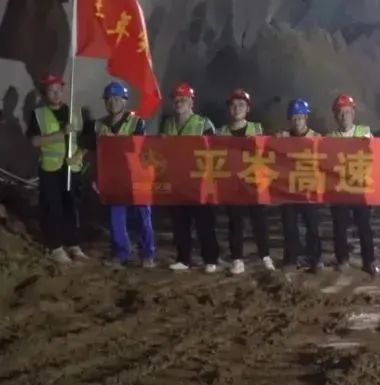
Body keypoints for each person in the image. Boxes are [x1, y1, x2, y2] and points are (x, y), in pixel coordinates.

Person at [87, 81, 155, 267]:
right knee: (116, 216)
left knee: (143, 216)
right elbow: (94, 153)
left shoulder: (137, 122)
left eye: (117, 99)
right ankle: (120, 252)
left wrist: (116, 141)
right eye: (109, 99)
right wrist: (95, 176)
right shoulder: (98, 125)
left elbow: (139, 149)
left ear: (125, 101)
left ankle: (147, 254)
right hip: (113, 178)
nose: (113, 103)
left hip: (136, 176)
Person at [26, 74, 89, 264]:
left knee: (72, 207)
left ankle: (73, 245)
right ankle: (55, 247)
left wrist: (79, 155)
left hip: (72, 167)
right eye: (51, 91)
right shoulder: (38, 115)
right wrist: (60, 134)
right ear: (44, 93)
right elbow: (34, 141)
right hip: (50, 169)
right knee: (52, 208)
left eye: (59, 90)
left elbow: (86, 140)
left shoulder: (74, 112)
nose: (56, 94)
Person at [159, 83, 222, 272]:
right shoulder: (167, 123)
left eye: (183, 99)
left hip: (199, 181)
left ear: (191, 102)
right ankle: (183, 259)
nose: (179, 103)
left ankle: (210, 259)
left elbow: (216, 150)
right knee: (180, 222)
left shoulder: (204, 123)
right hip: (177, 181)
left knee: (204, 222)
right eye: (176, 99)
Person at [216, 88, 274, 274]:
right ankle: (237, 259)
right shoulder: (220, 132)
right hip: (233, 184)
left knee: (260, 222)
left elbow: (271, 152)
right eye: (233, 105)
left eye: (241, 105)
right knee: (235, 222)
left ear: (248, 108)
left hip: (254, 183)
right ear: (228, 109)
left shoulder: (258, 129)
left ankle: (265, 257)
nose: (237, 109)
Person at [326, 94, 379, 275]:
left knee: (364, 226)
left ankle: (369, 261)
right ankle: (342, 259)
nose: (344, 116)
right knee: (339, 227)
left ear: (353, 113)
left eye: (347, 112)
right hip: (339, 189)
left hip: (359, 188)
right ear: (335, 116)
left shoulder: (365, 132)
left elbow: (377, 155)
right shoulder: (330, 138)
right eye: (340, 113)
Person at [277, 98, 323, 272]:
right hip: (288, 189)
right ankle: (291, 258)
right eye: (294, 118)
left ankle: (315, 258)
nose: (297, 121)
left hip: (309, 189)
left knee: (312, 226)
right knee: (289, 226)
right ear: (290, 119)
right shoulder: (283, 137)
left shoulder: (316, 138)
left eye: (300, 117)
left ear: (306, 118)